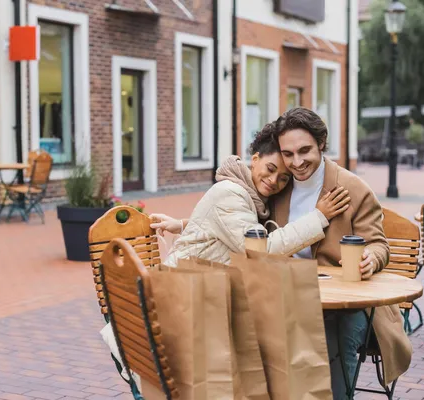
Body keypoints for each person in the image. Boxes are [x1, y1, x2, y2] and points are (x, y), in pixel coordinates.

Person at [269, 107, 410, 399]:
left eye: (304, 150)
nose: (296, 162)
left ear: (322, 142)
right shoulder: (277, 187)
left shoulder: (353, 188)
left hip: (347, 304)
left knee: (333, 331)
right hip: (288, 295)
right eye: (288, 153)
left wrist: (371, 258)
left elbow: (379, 244)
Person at [151, 120, 351, 267]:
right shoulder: (230, 192)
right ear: (255, 159)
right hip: (182, 292)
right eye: (270, 169)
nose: (274, 181)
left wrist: (182, 224)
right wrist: (319, 216)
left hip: (205, 290)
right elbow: (262, 249)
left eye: (283, 178)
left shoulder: (254, 199)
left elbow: (221, 226)